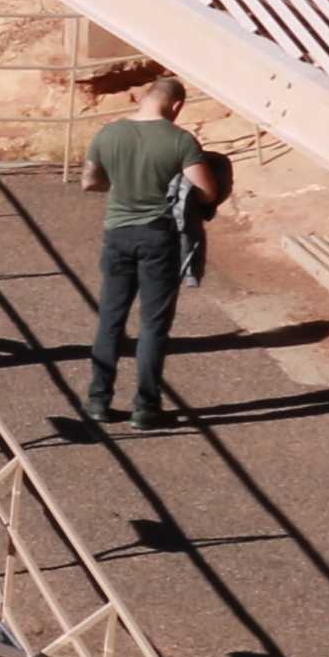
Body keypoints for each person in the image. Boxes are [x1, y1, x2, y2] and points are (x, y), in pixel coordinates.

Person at [79, 71, 210, 431]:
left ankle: (98, 400)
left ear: (143, 97)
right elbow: (207, 191)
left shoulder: (108, 133)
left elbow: (89, 181)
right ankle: (145, 407)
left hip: (117, 233)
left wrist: (118, 184)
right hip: (159, 237)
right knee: (153, 324)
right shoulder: (182, 141)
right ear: (177, 105)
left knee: (110, 318)